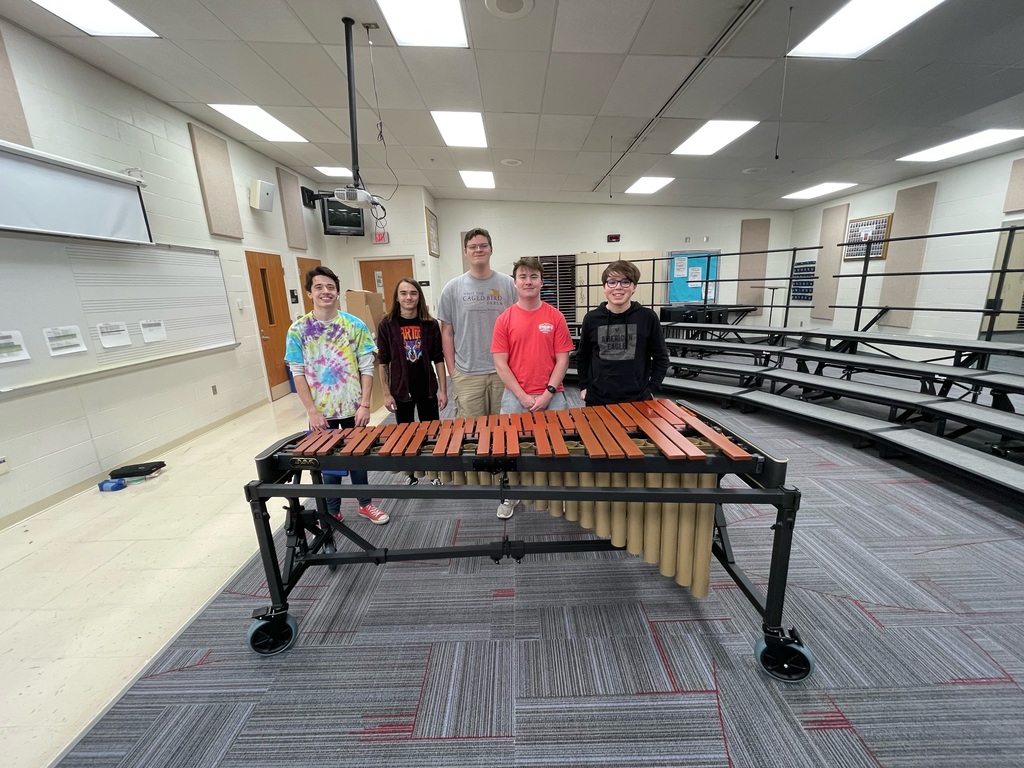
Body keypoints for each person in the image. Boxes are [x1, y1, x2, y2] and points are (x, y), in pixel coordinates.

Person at [284, 266, 389, 524]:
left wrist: (365, 405)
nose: (325, 292)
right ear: (309, 293)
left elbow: (367, 368)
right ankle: (332, 510)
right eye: (319, 287)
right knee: (328, 464)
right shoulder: (298, 330)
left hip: (355, 408)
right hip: (321, 413)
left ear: (337, 292)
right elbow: (298, 374)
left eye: (330, 287)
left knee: (359, 458)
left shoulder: (354, 325)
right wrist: (311, 411)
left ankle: (365, 504)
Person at [491, 256, 574, 518]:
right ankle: (511, 495)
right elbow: (500, 363)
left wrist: (548, 392)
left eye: (533, 276)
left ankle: (559, 496)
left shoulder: (555, 317)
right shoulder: (504, 319)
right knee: (509, 449)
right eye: (523, 277)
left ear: (541, 281)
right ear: (515, 283)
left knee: (560, 448)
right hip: (516, 396)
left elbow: (563, 359)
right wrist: (522, 395)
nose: (528, 281)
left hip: (553, 395)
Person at [437, 228, 516, 419]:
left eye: (483, 246)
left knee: (504, 429)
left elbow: (519, 327)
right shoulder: (452, 288)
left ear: (491, 249)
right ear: (465, 251)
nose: (478, 250)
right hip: (467, 374)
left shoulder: (509, 285)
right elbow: (446, 332)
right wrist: (453, 371)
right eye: (472, 246)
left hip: (503, 372)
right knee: (471, 434)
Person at [376, 277, 448, 484]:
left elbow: (438, 358)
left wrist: (443, 390)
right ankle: (412, 474)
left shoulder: (430, 324)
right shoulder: (387, 325)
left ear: (419, 296)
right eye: (404, 293)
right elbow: (383, 361)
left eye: (413, 293)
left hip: (426, 387)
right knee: (405, 434)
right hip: (400, 389)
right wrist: (386, 393)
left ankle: (435, 474)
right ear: (397, 298)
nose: (409, 297)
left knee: (432, 432)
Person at [575, 259, 669, 407]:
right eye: (612, 282)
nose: (618, 287)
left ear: (634, 287)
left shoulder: (647, 317)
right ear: (604, 287)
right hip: (597, 399)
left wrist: (651, 389)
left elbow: (661, 358)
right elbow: (583, 356)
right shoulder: (592, 318)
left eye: (625, 282)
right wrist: (584, 386)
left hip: (638, 399)